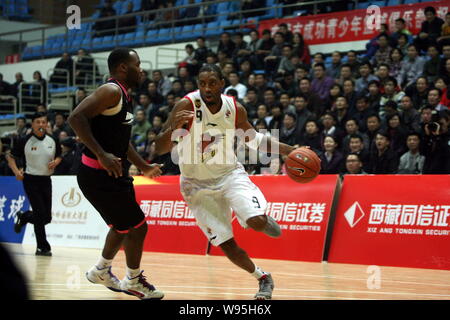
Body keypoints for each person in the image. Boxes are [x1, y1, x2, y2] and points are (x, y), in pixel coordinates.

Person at [154, 64, 297, 300]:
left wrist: (290, 150)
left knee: (257, 222)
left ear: (222, 83)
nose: (206, 88)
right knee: (227, 244)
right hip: (195, 185)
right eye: (202, 83)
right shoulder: (186, 105)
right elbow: (159, 148)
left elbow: (255, 140)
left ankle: (259, 218)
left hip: (228, 174)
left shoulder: (234, 108)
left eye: (212, 83)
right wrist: (172, 128)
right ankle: (262, 277)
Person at [67, 48, 164, 300]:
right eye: (137, 64)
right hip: (98, 174)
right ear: (123, 67)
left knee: (121, 227)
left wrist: (142, 165)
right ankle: (133, 281)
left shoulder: (124, 95)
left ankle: (101, 270)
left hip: (112, 173)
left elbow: (122, 141)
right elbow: (75, 117)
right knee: (138, 227)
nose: (141, 69)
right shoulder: (111, 91)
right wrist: (101, 153)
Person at [6, 112, 62, 256]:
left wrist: (56, 162)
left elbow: (59, 156)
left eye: (44, 122)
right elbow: (10, 157)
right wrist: (16, 172)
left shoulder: (53, 140)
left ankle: (24, 217)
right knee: (39, 214)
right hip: (30, 180)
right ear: (33, 124)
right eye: (38, 122)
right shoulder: (24, 140)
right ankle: (42, 247)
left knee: (46, 218)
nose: (41, 125)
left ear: (47, 124)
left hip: (46, 180)